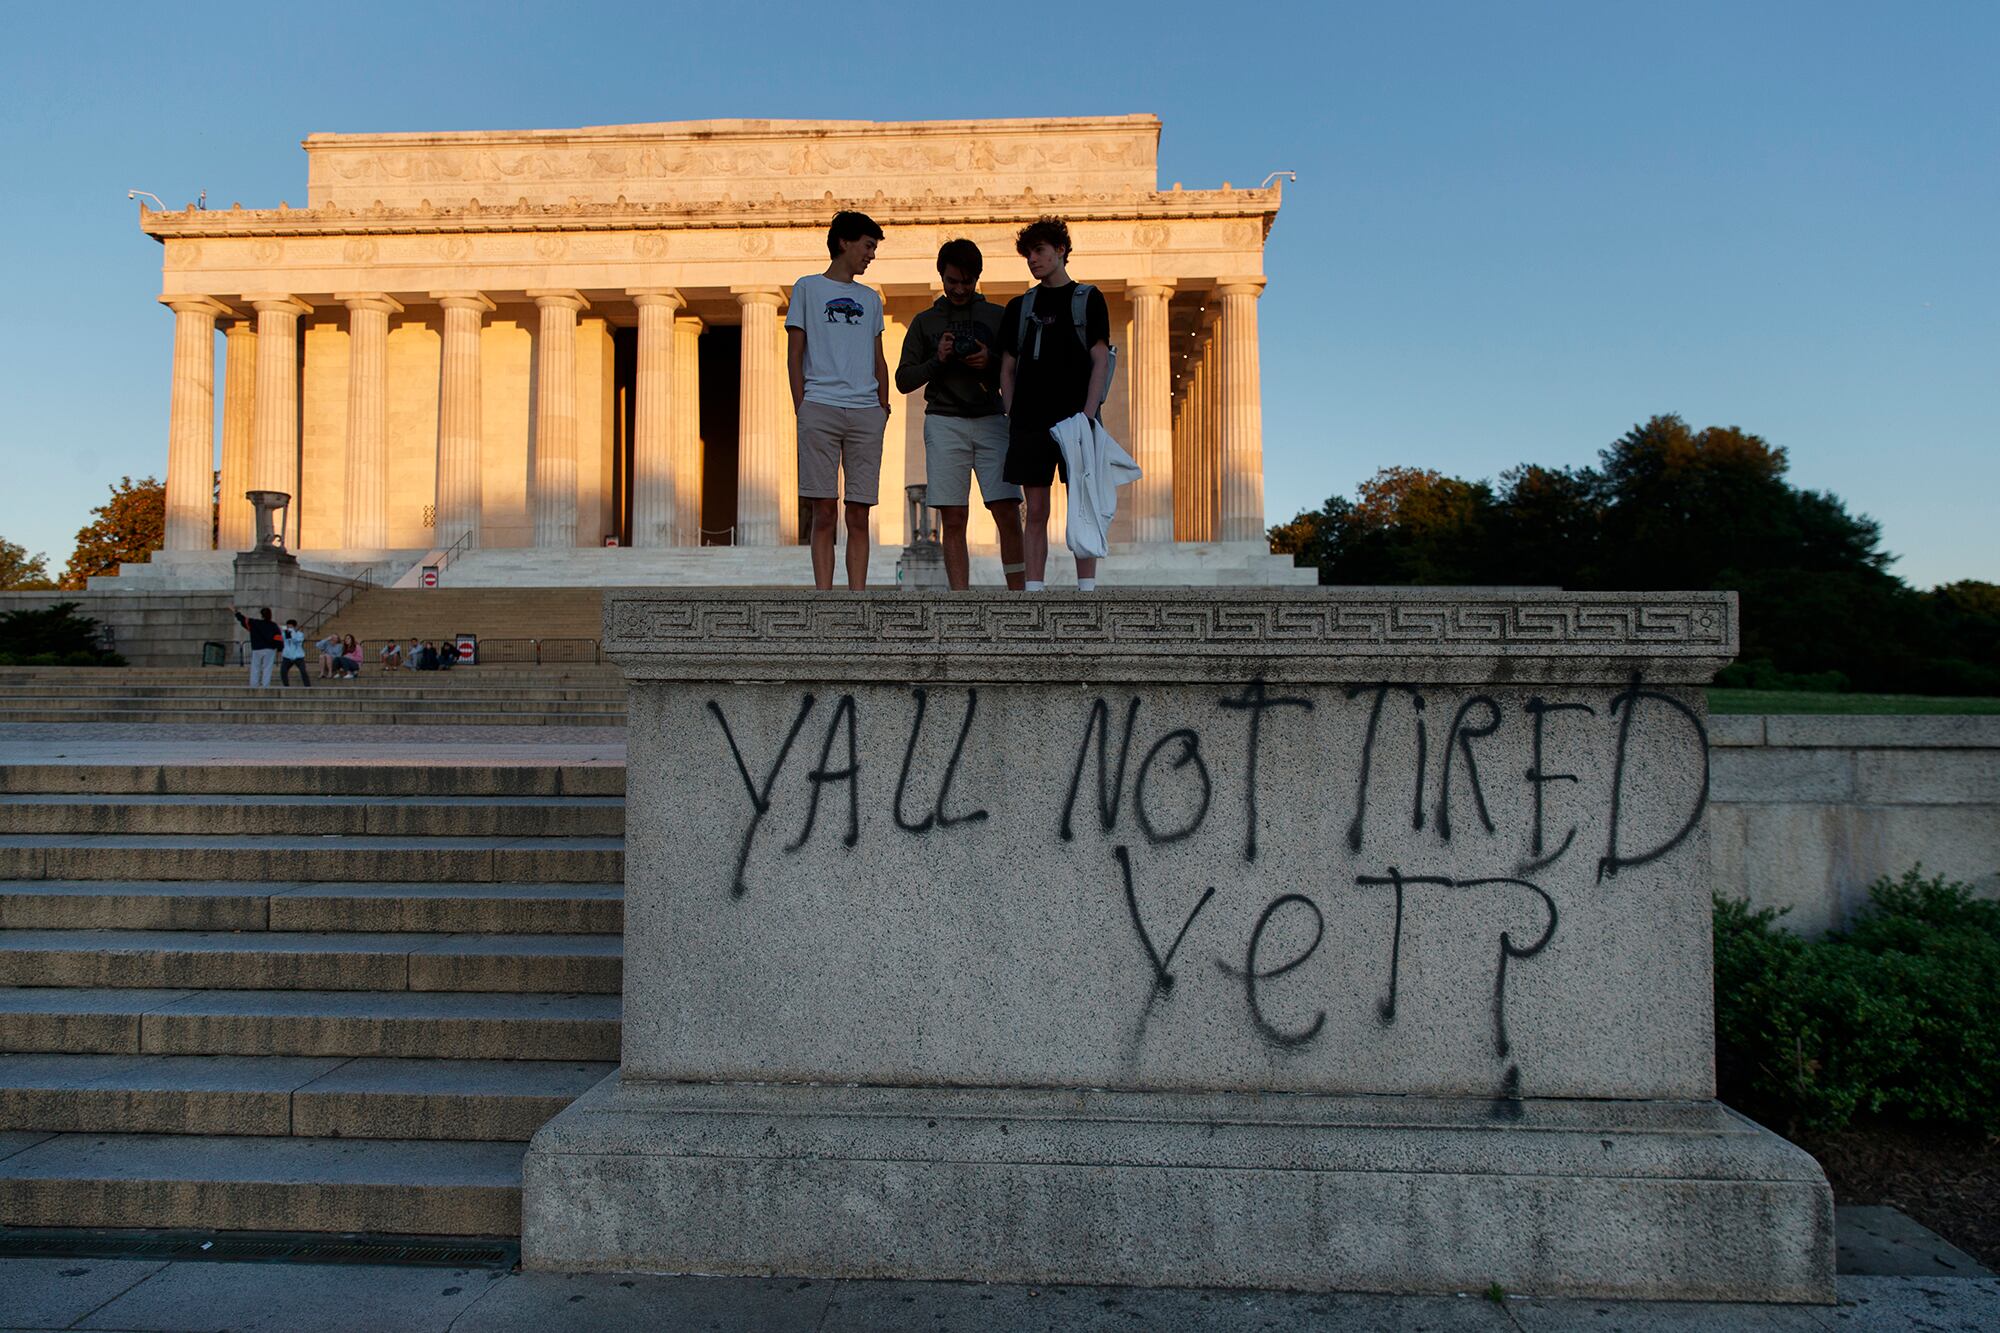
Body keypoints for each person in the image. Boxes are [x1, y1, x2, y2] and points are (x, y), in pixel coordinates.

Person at [896, 239, 1024, 591]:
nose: (959, 288)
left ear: (977, 278)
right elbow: (903, 380)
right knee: (953, 516)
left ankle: (1021, 595)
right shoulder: (925, 322)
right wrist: (938, 359)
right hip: (944, 420)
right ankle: (960, 601)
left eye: (966, 281)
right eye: (952, 281)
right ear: (941, 276)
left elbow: (1022, 371)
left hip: (991, 419)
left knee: (1007, 512)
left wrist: (991, 362)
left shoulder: (998, 317)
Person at [998, 217, 1111, 592]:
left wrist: (1089, 415)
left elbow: (1099, 359)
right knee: (1035, 509)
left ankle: (1087, 588)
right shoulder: (1020, 306)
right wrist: (1013, 411)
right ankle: (1034, 588)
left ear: (1060, 250)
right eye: (1028, 254)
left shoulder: (1089, 298)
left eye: (1040, 251)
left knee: (1083, 502)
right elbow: (1008, 367)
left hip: (1076, 417)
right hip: (1030, 421)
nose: (1033, 259)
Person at [786, 210, 889, 591]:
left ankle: (857, 596)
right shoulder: (808, 288)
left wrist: (882, 407)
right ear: (844, 242)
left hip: (865, 412)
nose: (871, 255)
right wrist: (803, 406)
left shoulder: (870, 298)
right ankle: (825, 599)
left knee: (859, 512)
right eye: (867, 246)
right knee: (824, 510)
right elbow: (795, 353)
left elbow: (878, 356)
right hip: (820, 406)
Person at [232, 605, 281, 687]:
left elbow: (243, 619)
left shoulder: (255, 623)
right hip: (269, 649)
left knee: (255, 667)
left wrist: (235, 611)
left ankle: (254, 684)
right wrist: (280, 648)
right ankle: (265, 685)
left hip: (257, 648)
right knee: (267, 668)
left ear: (261, 615)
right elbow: (278, 638)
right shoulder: (273, 625)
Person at [278, 619, 311, 687]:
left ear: (295, 627)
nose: (289, 628)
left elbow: (296, 640)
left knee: (303, 671)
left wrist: (292, 633)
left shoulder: (300, 634)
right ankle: (286, 686)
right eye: (288, 627)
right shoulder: (284, 633)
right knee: (283, 671)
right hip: (287, 657)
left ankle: (307, 686)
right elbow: (281, 637)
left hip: (298, 657)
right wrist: (284, 630)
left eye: (291, 627)